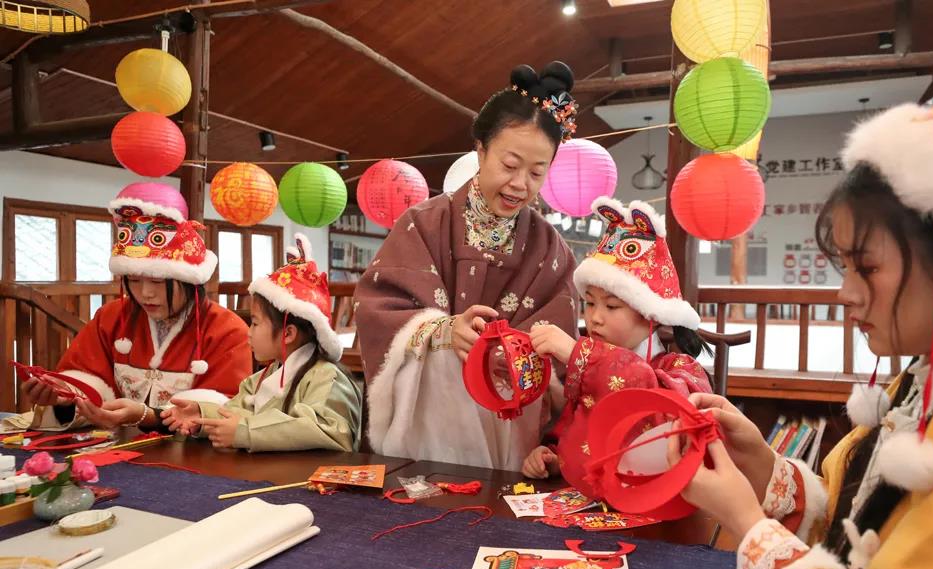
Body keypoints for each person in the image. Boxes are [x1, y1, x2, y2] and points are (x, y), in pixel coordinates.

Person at [678, 38, 933, 569]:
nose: (846, 294)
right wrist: (760, 463)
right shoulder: (928, 382)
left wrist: (749, 526)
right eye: (844, 266)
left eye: (867, 267)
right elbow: (852, 524)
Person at [354, 62, 581, 470]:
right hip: (431, 427)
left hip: (509, 434)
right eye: (509, 165)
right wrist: (442, 332)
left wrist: (509, 352)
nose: (520, 184)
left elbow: (559, 343)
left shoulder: (551, 249)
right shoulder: (424, 224)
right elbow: (378, 310)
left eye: (536, 173)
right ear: (480, 149)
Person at [4, 193, 250, 432]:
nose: (145, 293)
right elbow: (85, 381)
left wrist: (147, 416)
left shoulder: (226, 328)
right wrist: (65, 398)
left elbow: (225, 410)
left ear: (189, 281)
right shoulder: (111, 317)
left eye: (157, 281)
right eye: (133, 280)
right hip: (117, 444)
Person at [522, 197, 712, 487]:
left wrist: (579, 354)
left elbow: (655, 402)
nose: (595, 318)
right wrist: (553, 456)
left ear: (650, 314)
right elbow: (573, 434)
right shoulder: (591, 368)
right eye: (589, 303)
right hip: (591, 497)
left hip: (651, 499)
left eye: (611, 306)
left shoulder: (679, 372)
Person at [163, 235, 361, 452]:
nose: (248, 332)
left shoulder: (326, 377)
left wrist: (246, 432)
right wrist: (201, 415)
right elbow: (237, 412)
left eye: (255, 323)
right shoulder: (263, 377)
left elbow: (327, 430)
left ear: (288, 333)